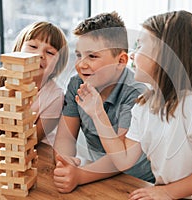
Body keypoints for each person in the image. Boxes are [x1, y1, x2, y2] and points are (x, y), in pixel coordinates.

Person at [75, 11, 192, 199]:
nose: (132, 55)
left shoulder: (191, 107)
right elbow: (124, 159)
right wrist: (97, 114)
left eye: (140, 46)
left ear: (165, 55)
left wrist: (167, 191)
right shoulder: (142, 107)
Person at [53, 11, 154, 193]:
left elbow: (121, 158)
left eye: (92, 56)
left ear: (121, 61)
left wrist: (80, 175)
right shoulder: (77, 83)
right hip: (96, 174)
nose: (81, 65)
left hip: (139, 181)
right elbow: (65, 137)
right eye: (78, 55)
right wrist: (64, 162)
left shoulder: (136, 93)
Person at [0, 21, 69, 154]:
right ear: (18, 50)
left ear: (57, 65)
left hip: (35, 153)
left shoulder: (55, 96)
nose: (40, 55)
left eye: (50, 52)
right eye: (33, 46)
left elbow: (34, 138)